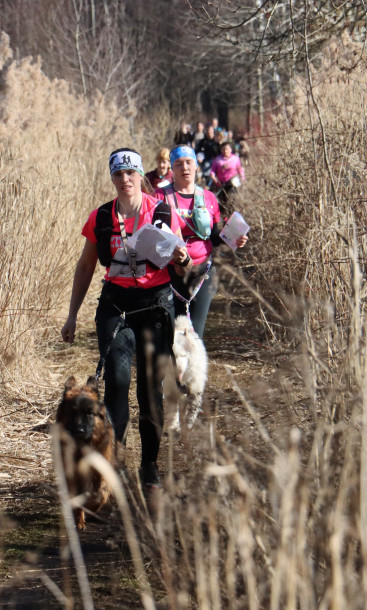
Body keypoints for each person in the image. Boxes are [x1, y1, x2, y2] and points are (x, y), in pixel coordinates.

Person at [61, 148, 191, 492]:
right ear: (112, 178)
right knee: (117, 383)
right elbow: (86, 266)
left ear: (141, 176)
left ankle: (149, 465)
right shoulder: (102, 217)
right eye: (118, 175)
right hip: (115, 307)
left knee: (150, 392)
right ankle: (112, 463)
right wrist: (72, 315)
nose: (125, 180)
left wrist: (182, 259)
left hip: (154, 306)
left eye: (131, 173)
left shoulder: (161, 211)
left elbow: (183, 266)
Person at [155, 145, 248, 338]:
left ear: (196, 166)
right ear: (172, 168)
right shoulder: (159, 196)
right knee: (171, 333)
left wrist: (234, 241)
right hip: (170, 272)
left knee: (195, 333)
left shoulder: (209, 198)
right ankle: (172, 368)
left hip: (203, 272)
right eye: (178, 164)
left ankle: (193, 368)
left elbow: (215, 236)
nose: (184, 168)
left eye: (189, 163)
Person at [210, 141, 245, 214]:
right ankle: (224, 220)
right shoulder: (218, 159)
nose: (225, 151)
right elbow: (213, 170)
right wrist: (213, 177)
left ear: (230, 149)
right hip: (221, 184)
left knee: (231, 202)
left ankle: (232, 218)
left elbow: (239, 169)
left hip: (232, 184)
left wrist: (242, 178)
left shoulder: (235, 159)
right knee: (222, 203)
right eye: (223, 149)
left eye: (227, 149)